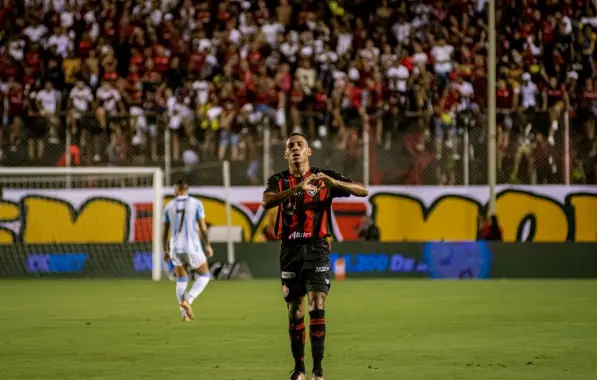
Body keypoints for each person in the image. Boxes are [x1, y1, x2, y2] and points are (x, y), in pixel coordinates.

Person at [262, 133, 369, 380]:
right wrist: (295, 190)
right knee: (294, 312)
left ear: (309, 151)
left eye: (300, 145)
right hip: (290, 250)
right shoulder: (278, 180)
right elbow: (267, 201)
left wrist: (336, 184)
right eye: (291, 146)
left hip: (317, 248)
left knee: (317, 305)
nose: (296, 149)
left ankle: (318, 372)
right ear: (286, 154)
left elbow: (363, 190)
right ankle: (299, 369)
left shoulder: (324, 178)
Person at [162, 179, 214, 322]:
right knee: (204, 275)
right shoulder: (196, 203)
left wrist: (165, 250)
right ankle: (188, 300)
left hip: (175, 248)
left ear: (177, 190)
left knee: (181, 279)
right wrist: (207, 245)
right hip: (192, 246)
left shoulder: (169, 206)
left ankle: (184, 315)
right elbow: (203, 227)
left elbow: (164, 230)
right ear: (186, 190)